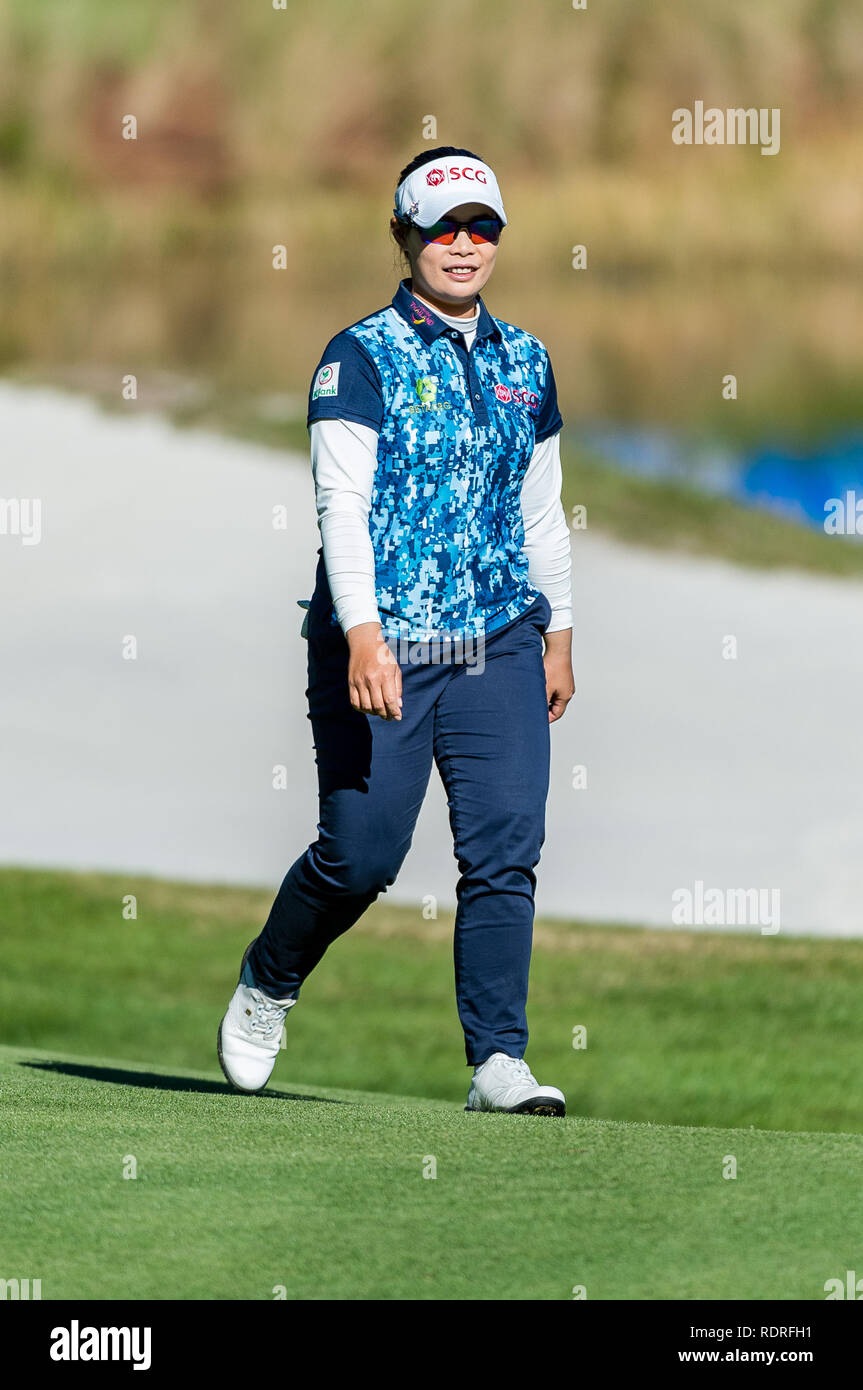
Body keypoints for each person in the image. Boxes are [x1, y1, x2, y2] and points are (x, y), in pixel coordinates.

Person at [218, 146, 574, 1115]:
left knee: (504, 846)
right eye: (442, 228)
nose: (462, 246)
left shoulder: (525, 363)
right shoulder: (357, 358)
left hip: (495, 636)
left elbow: (540, 511)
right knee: (362, 854)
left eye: (481, 228)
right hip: (381, 644)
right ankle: (270, 975)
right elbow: (342, 506)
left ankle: (497, 1060)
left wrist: (559, 627)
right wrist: (364, 632)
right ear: (402, 236)